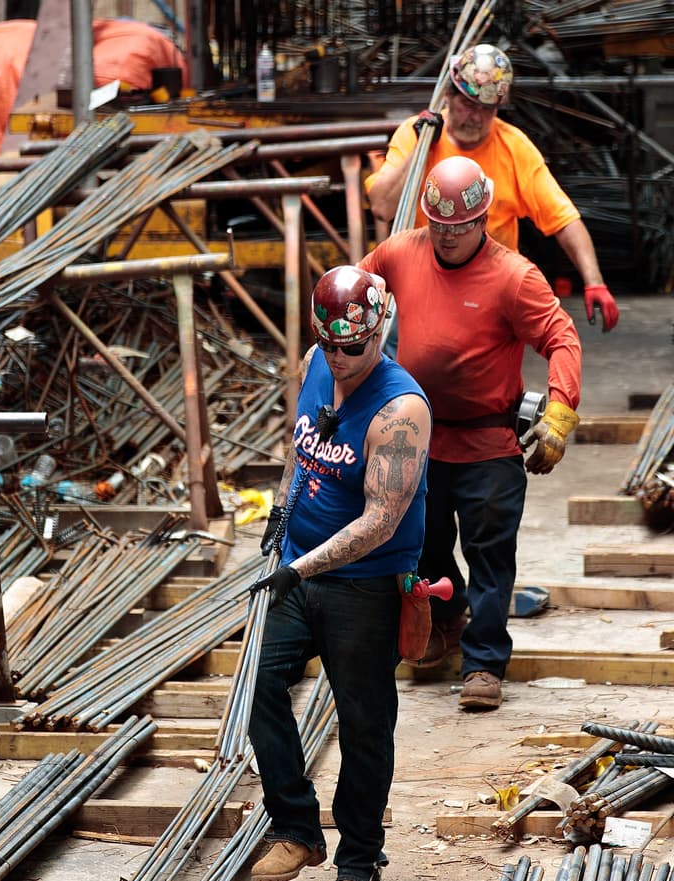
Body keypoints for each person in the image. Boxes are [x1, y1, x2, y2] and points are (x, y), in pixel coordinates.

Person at [358, 155, 582, 712]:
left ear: (484, 219)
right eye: (439, 225)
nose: (449, 236)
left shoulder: (515, 277)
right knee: (424, 546)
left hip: (489, 445)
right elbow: (355, 290)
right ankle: (448, 618)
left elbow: (562, 338)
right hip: (421, 442)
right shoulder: (401, 254)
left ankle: (484, 663)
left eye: (460, 226)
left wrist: (559, 413)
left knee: (490, 555)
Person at [243, 266, 431, 881]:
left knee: (363, 720)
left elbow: (380, 520)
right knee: (260, 686)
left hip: (366, 582)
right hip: (298, 566)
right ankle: (297, 828)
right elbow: (301, 454)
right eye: (330, 345)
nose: (341, 358)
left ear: (380, 333)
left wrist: (298, 568)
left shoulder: (400, 410)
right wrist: (279, 522)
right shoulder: (318, 362)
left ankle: (358, 854)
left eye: (354, 348)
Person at [364, 43, 619, 332]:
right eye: (468, 105)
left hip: (488, 291)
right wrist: (420, 152)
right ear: (448, 94)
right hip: (422, 286)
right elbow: (382, 207)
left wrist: (594, 281)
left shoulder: (514, 147)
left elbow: (563, 219)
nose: (475, 117)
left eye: (487, 110)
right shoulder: (418, 135)